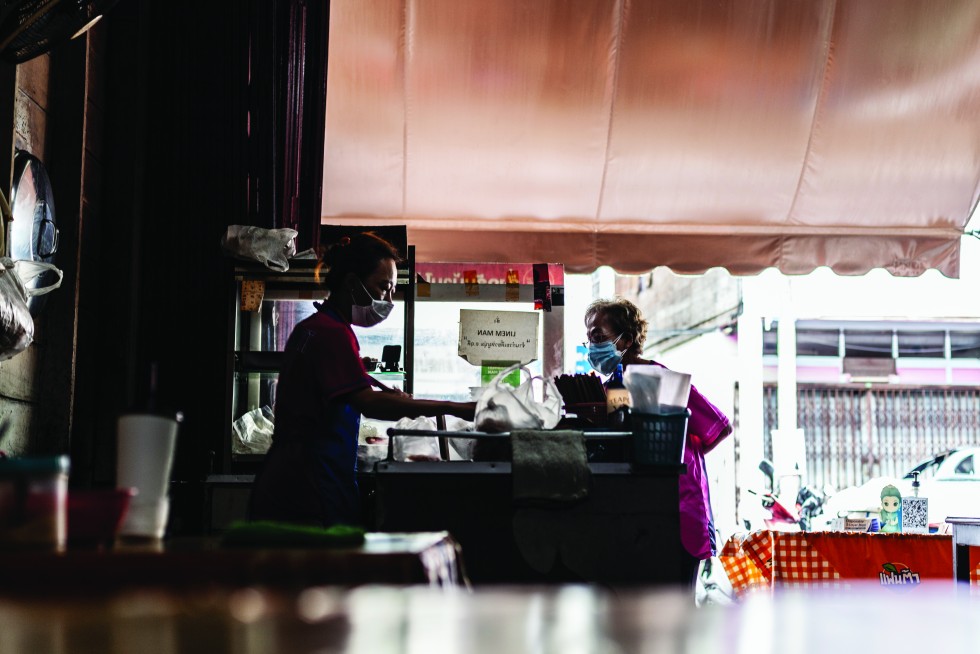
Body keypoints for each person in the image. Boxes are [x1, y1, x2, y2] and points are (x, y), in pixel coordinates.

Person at [249, 231, 475, 528]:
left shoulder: (318, 326)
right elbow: (367, 403)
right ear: (353, 284)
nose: (389, 299)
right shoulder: (331, 334)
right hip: (309, 486)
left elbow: (342, 391)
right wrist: (456, 408)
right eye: (384, 288)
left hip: (297, 479)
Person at [584, 297, 732, 587]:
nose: (591, 346)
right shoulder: (610, 387)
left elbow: (719, 428)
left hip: (678, 509)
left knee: (675, 607)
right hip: (637, 512)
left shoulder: (659, 378)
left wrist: (684, 461)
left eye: (598, 336)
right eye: (588, 338)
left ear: (625, 338)